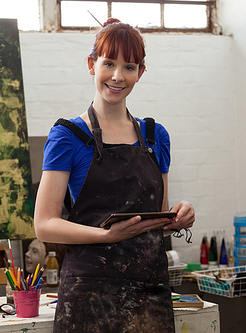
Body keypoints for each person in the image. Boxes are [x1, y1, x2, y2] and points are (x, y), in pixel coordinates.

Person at [34, 18, 195, 333]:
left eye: (130, 67)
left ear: (141, 72)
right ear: (92, 65)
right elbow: (44, 225)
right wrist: (106, 236)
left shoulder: (155, 136)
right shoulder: (67, 136)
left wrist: (178, 216)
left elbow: (154, 224)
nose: (118, 76)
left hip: (149, 294)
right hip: (88, 296)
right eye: (109, 63)